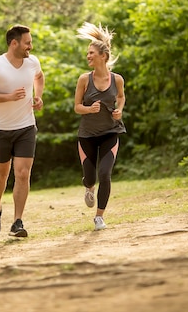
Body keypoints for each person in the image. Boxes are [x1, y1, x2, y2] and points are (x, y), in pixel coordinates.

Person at [0, 24, 45, 237]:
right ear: (14, 43)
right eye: (27, 42)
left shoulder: (32, 62)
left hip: (26, 126)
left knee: (23, 173)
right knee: (1, 175)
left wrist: (38, 96)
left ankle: (17, 222)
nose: (31, 46)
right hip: (1, 128)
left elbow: (39, 77)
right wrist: (8, 97)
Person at [73, 22, 126, 231]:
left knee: (105, 173)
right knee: (90, 176)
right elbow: (77, 107)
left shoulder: (117, 79)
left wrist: (119, 109)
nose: (88, 56)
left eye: (91, 53)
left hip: (110, 132)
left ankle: (99, 217)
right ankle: (88, 187)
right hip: (87, 134)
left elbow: (121, 97)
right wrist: (89, 109)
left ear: (103, 56)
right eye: (87, 53)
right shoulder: (84, 80)